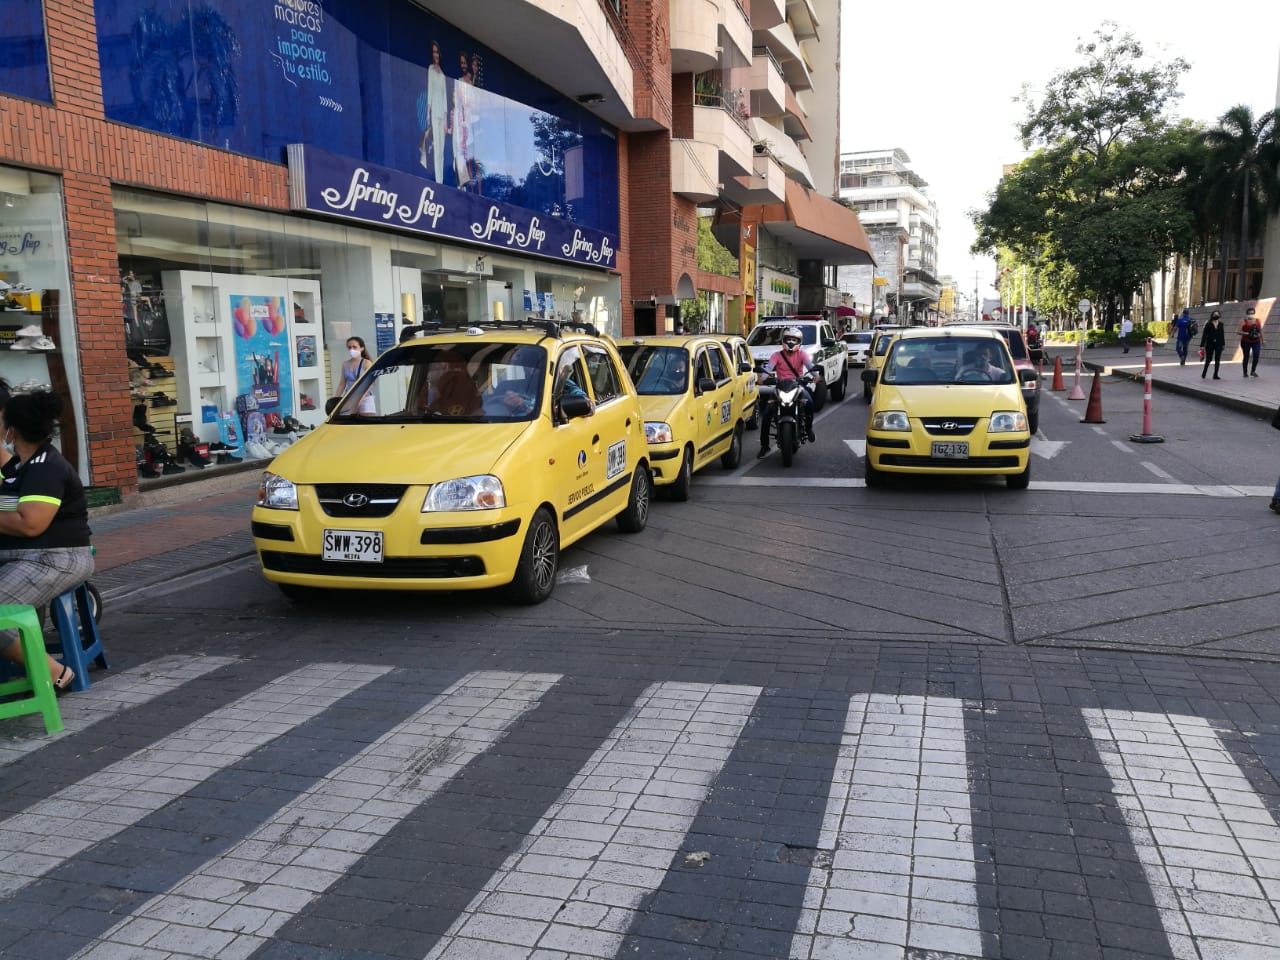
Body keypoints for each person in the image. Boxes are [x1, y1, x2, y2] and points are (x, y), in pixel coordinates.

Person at [0, 391, 95, 694]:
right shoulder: (20, 466)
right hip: (25, 558)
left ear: (11, 430)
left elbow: (31, 524)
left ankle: (55, 672)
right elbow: (7, 508)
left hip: (53, 558)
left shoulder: (46, 467)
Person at [757, 326, 816, 458]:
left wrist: (816, 376)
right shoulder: (776, 355)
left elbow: (810, 367)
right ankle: (764, 446)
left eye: (794, 339)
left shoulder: (802, 354)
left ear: (799, 341)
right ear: (783, 340)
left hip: (798, 386)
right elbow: (769, 367)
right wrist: (763, 378)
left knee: (810, 403)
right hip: (780, 387)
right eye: (788, 339)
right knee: (766, 414)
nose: (791, 342)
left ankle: (808, 428)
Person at [418, 41, 448, 181]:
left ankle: (440, 179)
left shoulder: (442, 73)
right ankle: (438, 181)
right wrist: (428, 113)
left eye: (437, 52)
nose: (436, 54)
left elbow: (445, 96)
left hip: (442, 113)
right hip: (434, 111)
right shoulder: (430, 69)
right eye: (434, 52)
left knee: (441, 149)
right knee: (436, 148)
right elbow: (430, 91)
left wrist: (446, 119)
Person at [336, 337, 376, 414]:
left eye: (354, 347)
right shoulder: (345, 364)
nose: (352, 349)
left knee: (368, 423)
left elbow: (369, 384)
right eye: (349, 347)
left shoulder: (367, 363)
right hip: (350, 398)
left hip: (365, 398)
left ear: (362, 348)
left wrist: (360, 400)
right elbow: (342, 384)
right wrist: (335, 399)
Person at [1200, 310, 1226, 379]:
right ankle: (1204, 373)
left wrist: (1223, 344)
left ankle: (1215, 375)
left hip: (1219, 344)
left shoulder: (1221, 324)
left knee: (1217, 359)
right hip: (1210, 343)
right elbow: (1204, 335)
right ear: (1212, 315)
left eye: (1217, 314)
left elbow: (1222, 335)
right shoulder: (1208, 324)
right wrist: (1202, 345)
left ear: (1219, 316)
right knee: (1209, 359)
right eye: (1215, 314)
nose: (1216, 315)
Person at [1239, 306, 1263, 377]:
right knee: (1246, 356)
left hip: (1256, 341)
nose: (1251, 314)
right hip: (1246, 341)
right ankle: (1245, 372)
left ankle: (1253, 371)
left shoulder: (1258, 321)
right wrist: (1246, 333)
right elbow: (1238, 331)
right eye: (1249, 313)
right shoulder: (1243, 321)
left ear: (1254, 313)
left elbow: (1260, 330)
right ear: (1247, 314)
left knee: (1256, 355)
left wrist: (1263, 339)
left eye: (1252, 313)